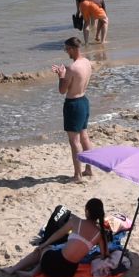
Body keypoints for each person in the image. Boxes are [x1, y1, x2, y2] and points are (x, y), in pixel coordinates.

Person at [11, 196, 111, 277]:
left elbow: (59, 233)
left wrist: (44, 244)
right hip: (68, 273)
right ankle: (30, 272)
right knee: (57, 252)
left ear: (87, 211)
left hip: (52, 267)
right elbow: (104, 255)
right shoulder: (101, 233)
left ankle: (20, 270)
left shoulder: (76, 221)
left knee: (46, 249)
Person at [55, 36, 95, 179]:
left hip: (73, 104)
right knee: (84, 137)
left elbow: (62, 90)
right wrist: (64, 74)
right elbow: (78, 79)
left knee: (74, 141)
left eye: (67, 49)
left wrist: (61, 76)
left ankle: (78, 174)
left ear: (72, 49)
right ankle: (89, 169)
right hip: (84, 101)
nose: (66, 52)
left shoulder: (72, 68)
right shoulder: (87, 62)